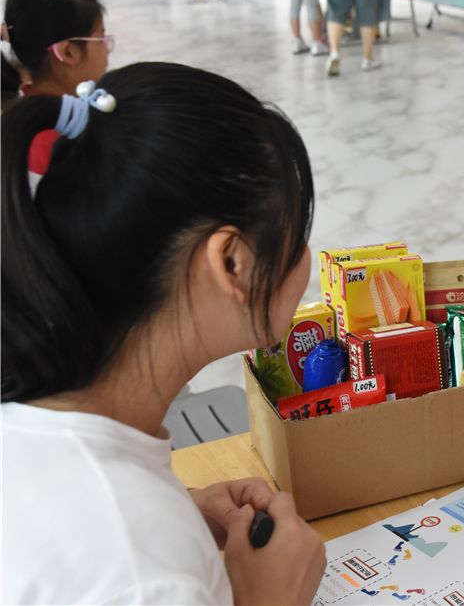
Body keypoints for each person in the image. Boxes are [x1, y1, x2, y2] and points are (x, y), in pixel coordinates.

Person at [1, 61, 327, 604]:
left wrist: (172, 504)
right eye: (297, 232)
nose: (306, 260)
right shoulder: (144, 569)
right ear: (233, 264)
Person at [1, 0, 112, 192]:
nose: (107, 47)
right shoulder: (53, 148)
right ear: (68, 52)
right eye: (102, 37)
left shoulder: (31, 112)